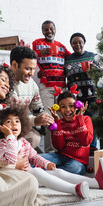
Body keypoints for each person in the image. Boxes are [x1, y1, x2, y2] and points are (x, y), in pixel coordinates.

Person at [0, 103, 103, 200]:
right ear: (0, 126)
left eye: (17, 121)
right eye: (9, 121)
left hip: (27, 174)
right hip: (12, 178)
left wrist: (47, 164)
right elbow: (10, 160)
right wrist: (10, 137)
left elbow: (35, 157)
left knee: (58, 172)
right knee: (36, 171)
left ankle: (96, 183)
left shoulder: (23, 142)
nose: (14, 123)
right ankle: (74, 189)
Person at [0, 63, 46, 206]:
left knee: (30, 182)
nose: (7, 85)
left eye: (9, 82)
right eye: (3, 79)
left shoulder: (2, 114)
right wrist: (9, 164)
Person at [32, 20, 71, 152]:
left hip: (61, 87)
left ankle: (62, 148)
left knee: (62, 117)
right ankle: (50, 150)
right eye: (46, 29)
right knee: (49, 117)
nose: (49, 31)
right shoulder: (37, 43)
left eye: (51, 28)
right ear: (42, 31)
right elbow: (29, 56)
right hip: (47, 86)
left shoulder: (61, 46)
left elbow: (71, 59)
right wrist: (39, 54)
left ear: (55, 29)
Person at [10, 46, 54, 151]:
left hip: (21, 128)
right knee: (34, 138)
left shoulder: (32, 85)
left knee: (34, 141)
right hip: (4, 129)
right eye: (28, 68)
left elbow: (37, 108)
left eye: (34, 69)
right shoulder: (4, 83)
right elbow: (6, 115)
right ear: (15, 65)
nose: (32, 73)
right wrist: (34, 120)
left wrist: (47, 118)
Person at [40, 88, 93, 175]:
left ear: (76, 106)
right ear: (59, 109)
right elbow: (59, 147)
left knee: (74, 169)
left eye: (71, 106)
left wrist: (80, 119)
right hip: (60, 156)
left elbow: (85, 142)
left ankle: (45, 174)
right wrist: (57, 122)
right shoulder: (59, 122)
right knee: (36, 158)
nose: (68, 110)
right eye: (63, 107)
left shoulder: (85, 119)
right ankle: (49, 173)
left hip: (78, 161)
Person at [65, 33, 99, 150]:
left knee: (92, 121)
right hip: (75, 98)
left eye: (80, 42)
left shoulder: (91, 55)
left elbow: (100, 73)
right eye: (74, 42)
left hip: (91, 95)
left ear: (84, 43)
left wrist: (95, 68)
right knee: (78, 123)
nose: (77, 44)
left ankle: (93, 146)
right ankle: (80, 148)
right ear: (71, 44)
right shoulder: (67, 59)